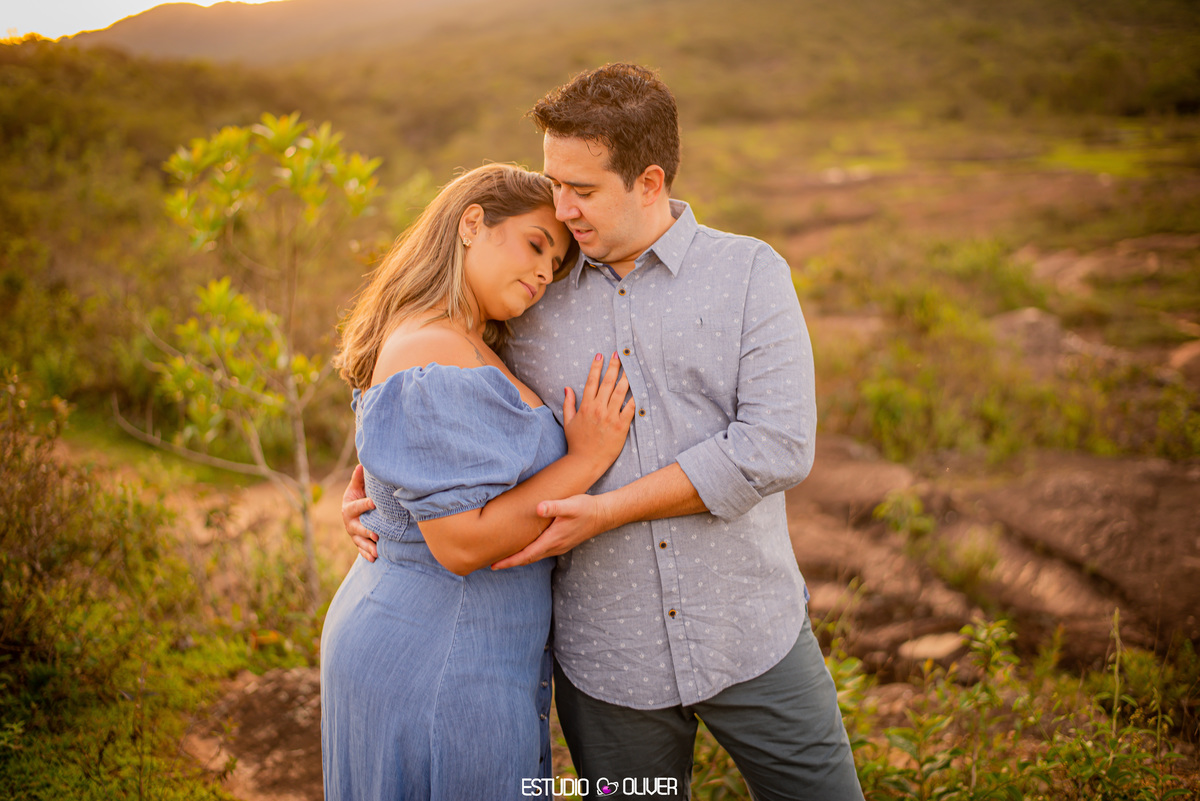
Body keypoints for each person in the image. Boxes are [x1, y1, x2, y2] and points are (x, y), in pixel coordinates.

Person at [344, 65, 864, 800]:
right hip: (607, 666)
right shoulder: (531, 297)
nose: (562, 209)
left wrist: (610, 508)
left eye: (581, 190)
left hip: (752, 634)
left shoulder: (748, 273)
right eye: (555, 184)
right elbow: (435, 392)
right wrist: (379, 489)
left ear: (649, 182)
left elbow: (777, 445)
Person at [321, 162, 635, 800]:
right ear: (471, 224)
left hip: (455, 641)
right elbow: (462, 543)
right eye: (535, 245)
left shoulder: (463, 340)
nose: (544, 272)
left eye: (556, 263)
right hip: (439, 651)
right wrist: (588, 456)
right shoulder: (430, 347)